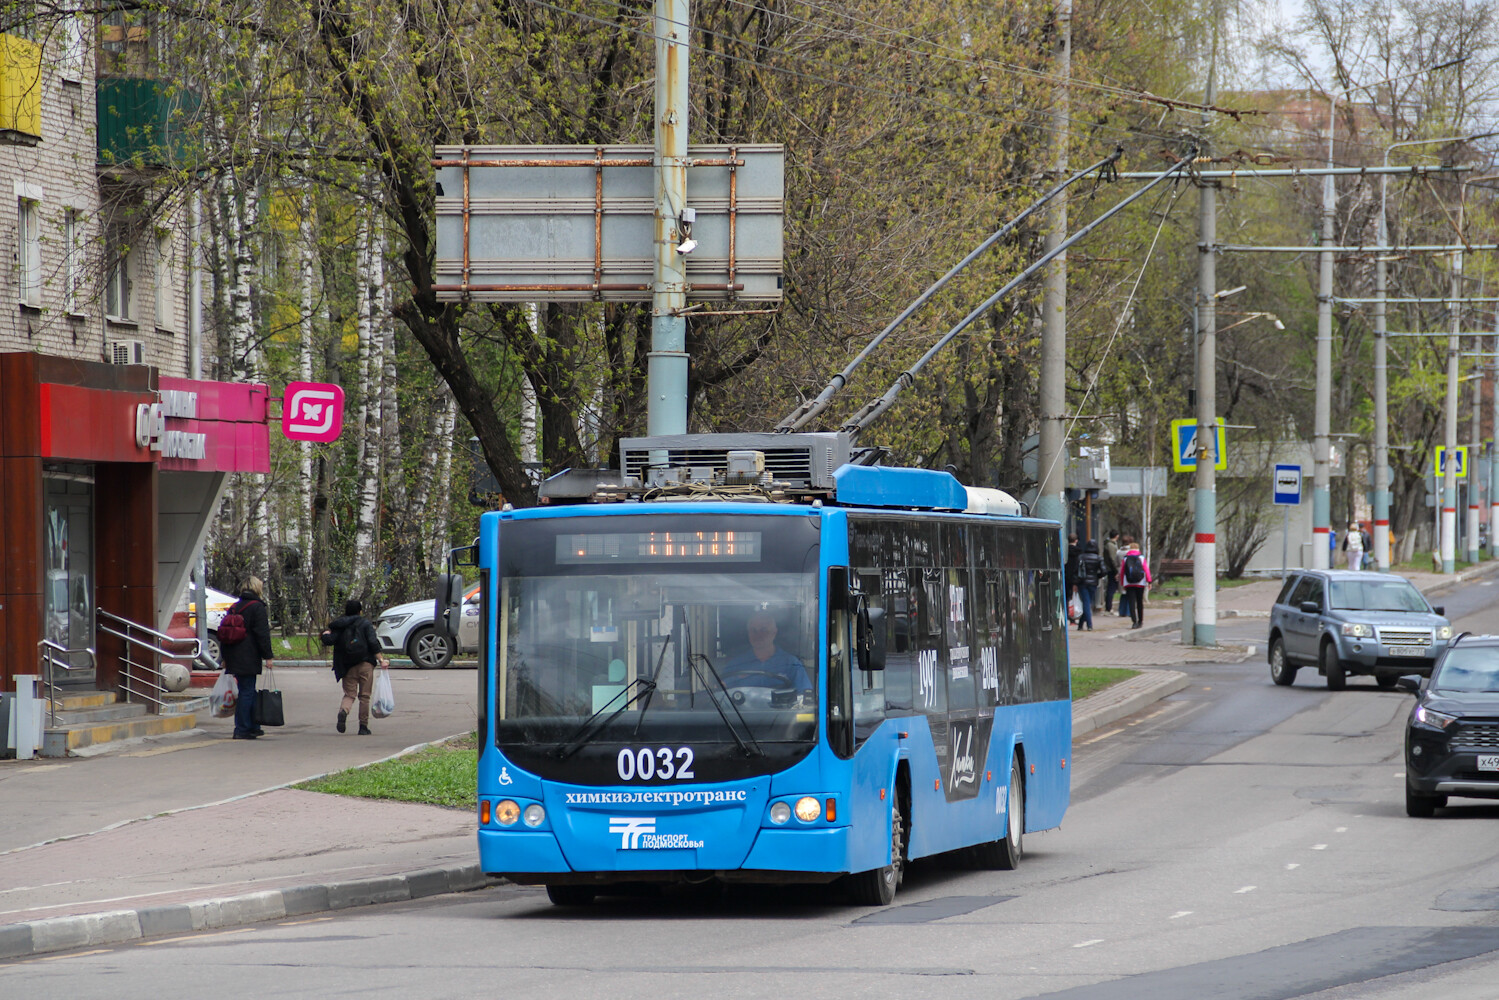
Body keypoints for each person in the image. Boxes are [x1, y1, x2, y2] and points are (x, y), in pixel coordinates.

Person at [221, 576, 274, 740]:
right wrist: (268, 656)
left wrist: (225, 657)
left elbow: (225, 632)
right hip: (248, 654)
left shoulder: (235, 607)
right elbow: (262, 634)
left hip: (233, 653)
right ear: (257, 588)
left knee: (247, 690)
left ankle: (252, 726)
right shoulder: (257, 607)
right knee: (247, 691)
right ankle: (243, 728)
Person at [323, 599, 384, 735]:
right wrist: (380, 659)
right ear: (360, 611)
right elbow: (373, 642)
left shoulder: (339, 624)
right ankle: (363, 727)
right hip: (365, 664)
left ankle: (343, 711)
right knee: (364, 696)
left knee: (349, 695)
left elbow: (330, 640)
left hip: (347, 665)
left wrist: (324, 634)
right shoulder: (365, 624)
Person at [724, 611, 811, 694]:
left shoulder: (791, 664)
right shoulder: (735, 665)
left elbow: (804, 696)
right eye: (753, 630)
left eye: (763, 630)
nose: (758, 635)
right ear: (748, 633)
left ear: (774, 632)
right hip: (740, 710)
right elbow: (722, 696)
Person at [1118, 536, 1152, 629]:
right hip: (1140, 583)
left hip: (1129, 583)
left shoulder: (1125, 558)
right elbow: (1146, 569)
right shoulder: (1141, 558)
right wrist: (1149, 581)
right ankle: (1140, 621)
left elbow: (1122, 572)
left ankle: (1134, 622)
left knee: (1131, 602)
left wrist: (1122, 583)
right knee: (1139, 602)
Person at [1076, 539, 1103, 631]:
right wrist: (1097, 576)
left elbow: (1077, 570)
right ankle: (1088, 624)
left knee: (1086, 603)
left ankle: (1084, 625)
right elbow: (1104, 571)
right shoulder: (1098, 558)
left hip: (1082, 582)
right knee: (1087, 603)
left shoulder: (1081, 557)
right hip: (1093, 583)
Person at [1102, 529, 1121, 614]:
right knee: (1111, 588)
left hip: (1109, 568)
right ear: (1117, 536)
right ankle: (1108, 608)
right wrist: (1116, 571)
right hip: (1112, 569)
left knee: (1110, 588)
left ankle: (1108, 607)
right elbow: (1113, 559)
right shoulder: (1111, 546)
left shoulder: (1108, 544)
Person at [1064, 533, 1080, 619]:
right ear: (1076, 541)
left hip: (1065, 576)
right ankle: (1073, 616)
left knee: (1065, 596)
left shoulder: (1064, 552)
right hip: (1074, 577)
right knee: (1073, 597)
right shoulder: (1079, 553)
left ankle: (1066, 614)